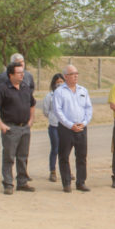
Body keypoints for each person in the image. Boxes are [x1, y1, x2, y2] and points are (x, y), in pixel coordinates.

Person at [0, 62, 36, 195]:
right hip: (11, 128)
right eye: (19, 73)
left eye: (23, 72)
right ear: (11, 75)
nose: (22, 75)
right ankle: (8, 184)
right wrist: (1, 124)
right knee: (9, 157)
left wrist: (31, 120)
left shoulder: (25, 87)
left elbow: (32, 104)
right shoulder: (3, 89)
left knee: (23, 156)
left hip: (25, 128)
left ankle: (22, 182)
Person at [53, 64, 92, 192]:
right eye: (72, 74)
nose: (75, 76)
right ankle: (66, 183)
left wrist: (84, 122)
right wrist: (70, 125)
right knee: (64, 156)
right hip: (66, 129)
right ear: (65, 77)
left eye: (77, 73)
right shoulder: (59, 92)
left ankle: (81, 182)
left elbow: (88, 108)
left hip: (81, 127)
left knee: (81, 156)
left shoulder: (83, 91)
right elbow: (58, 111)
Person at [41, 73, 65, 182]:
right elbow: (46, 111)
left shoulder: (67, 94)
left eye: (61, 82)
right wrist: (52, 117)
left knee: (65, 150)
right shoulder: (49, 96)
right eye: (57, 82)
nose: (60, 84)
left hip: (65, 126)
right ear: (54, 84)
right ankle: (53, 171)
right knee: (55, 149)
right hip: (54, 126)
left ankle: (65, 171)